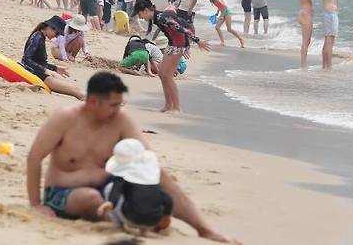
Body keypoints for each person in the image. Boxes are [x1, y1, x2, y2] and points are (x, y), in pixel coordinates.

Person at [26, 72, 239, 244]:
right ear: (92, 101)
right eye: (113, 105)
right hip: (64, 193)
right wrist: (36, 204)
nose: (118, 109)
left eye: (120, 104)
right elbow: (34, 158)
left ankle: (203, 228)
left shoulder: (119, 120)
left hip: (110, 187)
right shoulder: (65, 118)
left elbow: (147, 159)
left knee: (157, 173)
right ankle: (131, 223)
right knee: (90, 198)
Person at [137, 0, 211, 113]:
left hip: (179, 45)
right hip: (173, 44)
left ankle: (176, 107)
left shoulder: (162, 17)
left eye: (140, 14)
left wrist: (197, 41)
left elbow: (181, 28)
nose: (140, 17)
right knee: (162, 74)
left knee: (167, 75)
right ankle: (168, 105)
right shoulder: (157, 17)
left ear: (146, 10)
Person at [96, 138, 173, 234]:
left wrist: (111, 202)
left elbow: (116, 190)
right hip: (153, 222)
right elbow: (167, 199)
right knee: (148, 194)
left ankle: (119, 226)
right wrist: (166, 215)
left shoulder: (122, 174)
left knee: (110, 188)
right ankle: (144, 230)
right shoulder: (151, 175)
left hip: (131, 219)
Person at [21, 16, 86, 100]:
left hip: (39, 73)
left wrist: (55, 68)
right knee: (75, 91)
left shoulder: (40, 36)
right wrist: (44, 70)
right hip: (36, 75)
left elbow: (38, 61)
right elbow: (26, 60)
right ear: (51, 28)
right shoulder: (38, 37)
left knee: (75, 89)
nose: (56, 37)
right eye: (57, 33)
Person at [298, 0, 322, 69]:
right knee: (305, 40)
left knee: (307, 41)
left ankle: (304, 63)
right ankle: (303, 65)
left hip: (307, 14)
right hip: (305, 14)